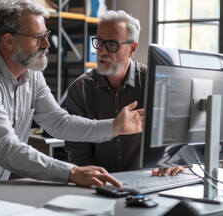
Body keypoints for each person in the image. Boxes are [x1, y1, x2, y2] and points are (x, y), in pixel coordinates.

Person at [0, 0, 144, 187]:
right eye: (38, 38)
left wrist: (115, 127)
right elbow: (8, 149)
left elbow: (59, 122)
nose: (47, 44)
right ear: (9, 41)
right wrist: (71, 173)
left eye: (46, 35)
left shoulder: (32, 74)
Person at [65, 10, 183, 177]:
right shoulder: (80, 90)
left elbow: (173, 140)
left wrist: (174, 160)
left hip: (147, 181)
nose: (101, 51)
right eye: (99, 42)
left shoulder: (156, 84)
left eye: (112, 44)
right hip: (98, 185)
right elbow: (79, 153)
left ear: (132, 49)